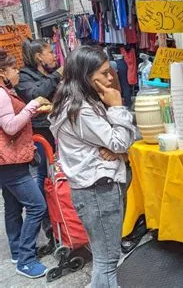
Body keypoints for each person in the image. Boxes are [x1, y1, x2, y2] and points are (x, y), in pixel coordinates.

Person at [49, 45, 135, 288]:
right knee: (108, 260)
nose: (111, 78)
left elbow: (121, 140)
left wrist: (119, 148)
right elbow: (120, 140)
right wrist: (117, 107)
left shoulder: (79, 102)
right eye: (105, 73)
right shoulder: (81, 110)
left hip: (97, 189)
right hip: (98, 190)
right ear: (86, 77)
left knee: (104, 258)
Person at [0, 49, 49, 278]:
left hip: (7, 161)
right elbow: (10, 126)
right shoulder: (1, 94)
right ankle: (26, 260)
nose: (17, 72)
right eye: (14, 68)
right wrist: (32, 106)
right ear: (3, 72)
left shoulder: (5, 92)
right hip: (10, 161)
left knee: (12, 206)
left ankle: (17, 251)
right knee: (37, 205)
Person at [16, 39, 62, 245]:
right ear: (38, 57)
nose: (54, 55)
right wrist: (57, 75)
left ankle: (63, 214)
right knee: (44, 175)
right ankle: (49, 223)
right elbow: (35, 94)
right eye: (49, 52)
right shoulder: (25, 77)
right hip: (41, 132)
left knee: (58, 172)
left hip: (58, 127)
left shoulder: (47, 74)